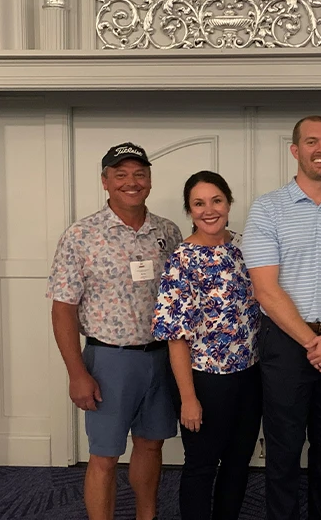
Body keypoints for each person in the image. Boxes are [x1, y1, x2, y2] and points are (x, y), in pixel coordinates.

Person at [241, 115, 321, 520]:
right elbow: (265, 289)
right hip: (286, 345)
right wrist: (314, 343)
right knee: (283, 450)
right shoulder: (267, 209)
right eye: (312, 141)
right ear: (295, 150)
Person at [47, 142, 183, 520]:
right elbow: (62, 310)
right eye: (120, 174)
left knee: (151, 445)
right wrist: (77, 374)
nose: (131, 182)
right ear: (105, 181)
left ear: (150, 180)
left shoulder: (168, 232)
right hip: (108, 360)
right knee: (105, 455)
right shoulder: (81, 235)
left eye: (139, 174)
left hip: (161, 357)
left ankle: (146, 516)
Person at [152, 171, 262, 520]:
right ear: (189, 209)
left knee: (237, 461)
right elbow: (175, 336)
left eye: (216, 200)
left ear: (229, 202)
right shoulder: (181, 261)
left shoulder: (247, 248)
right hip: (203, 379)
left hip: (250, 376)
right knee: (201, 465)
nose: (209, 210)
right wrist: (188, 399)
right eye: (199, 203)